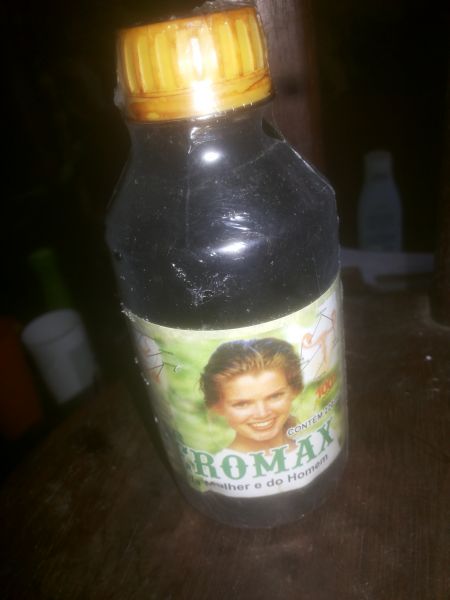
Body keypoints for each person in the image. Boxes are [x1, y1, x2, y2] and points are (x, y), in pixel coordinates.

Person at [200, 338, 303, 454]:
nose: (262, 413)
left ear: (294, 391)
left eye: (274, 396)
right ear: (218, 407)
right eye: (242, 404)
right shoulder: (221, 464)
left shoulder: (312, 442)